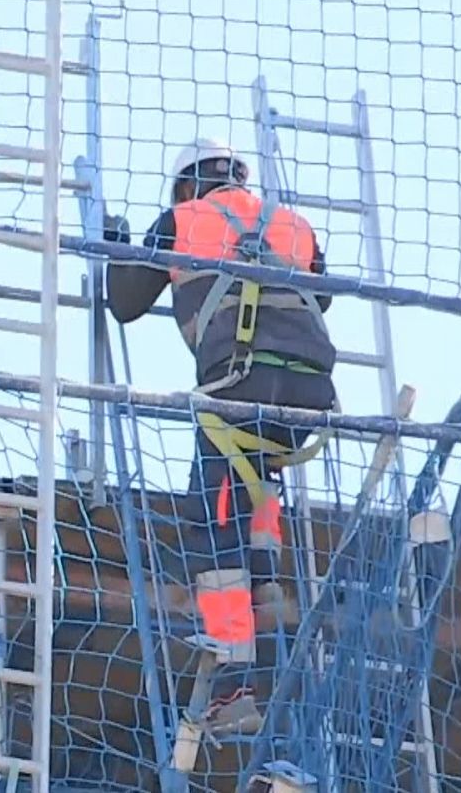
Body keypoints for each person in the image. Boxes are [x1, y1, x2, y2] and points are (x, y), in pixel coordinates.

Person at [103, 137, 338, 734]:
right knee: (257, 498)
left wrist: (112, 244)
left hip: (236, 387)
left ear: (186, 186)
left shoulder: (183, 219)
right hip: (309, 397)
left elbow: (126, 303)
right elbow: (324, 293)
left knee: (212, 520)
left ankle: (236, 678)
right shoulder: (292, 224)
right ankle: (270, 605)